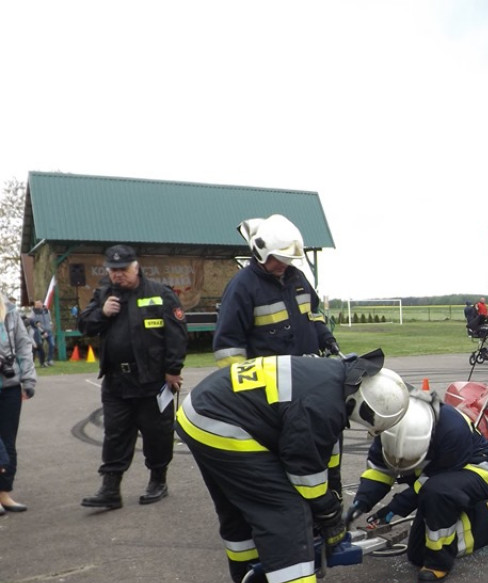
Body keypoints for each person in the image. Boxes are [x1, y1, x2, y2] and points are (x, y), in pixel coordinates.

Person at [174, 352, 410, 583]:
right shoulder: (320, 406)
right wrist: (327, 516)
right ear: (363, 409)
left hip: (203, 413)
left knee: (239, 507)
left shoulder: (335, 381)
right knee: (286, 514)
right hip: (223, 423)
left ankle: (252, 577)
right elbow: (303, 471)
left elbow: (326, 454)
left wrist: (333, 499)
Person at [345, 390, 488, 583]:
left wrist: (393, 509)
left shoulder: (452, 429)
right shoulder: (390, 427)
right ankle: (486, 523)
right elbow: (379, 470)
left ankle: (439, 563)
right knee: (416, 556)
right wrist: (361, 503)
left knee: (437, 494)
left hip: (478, 471)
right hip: (435, 479)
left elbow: (429, 485)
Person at [79, 245, 188, 510]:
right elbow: (84, 326)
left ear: (136, 267)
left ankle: (157, 481)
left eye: (123, 270)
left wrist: (173, 369)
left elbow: (176, 333)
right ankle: (110, 489)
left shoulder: (160, 294)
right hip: (117, 382)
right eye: (113, 270)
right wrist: (102, 313)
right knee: (115, 435)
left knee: (158, 434)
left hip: (153, 381)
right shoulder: (103, 294)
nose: (118, 275)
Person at [213, 214, 339, 367]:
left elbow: (313, 315)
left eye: (287, 259)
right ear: (261, 252)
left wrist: (326, 339)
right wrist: (243, 384)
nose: (283, 264)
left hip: (307, 374)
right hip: (269, 383)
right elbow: (228, 346)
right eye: (278, 258)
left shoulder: (298, 279)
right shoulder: (242, 287)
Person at [0, 295, 36, 513]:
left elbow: (24, 346)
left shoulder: (11, 312)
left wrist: (28, 380)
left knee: (8, 442)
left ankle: (4, 494)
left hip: (10, 387)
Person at [31, 300, 56, 367]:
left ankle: (49, 360)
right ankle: (42, 362)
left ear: (42, 304)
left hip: (49, 331)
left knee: (52, 344)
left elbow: (50, 320)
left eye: (39, 304)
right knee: (40, 347)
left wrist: (51, 325)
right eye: (36, 304)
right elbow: (33, 322)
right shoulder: (33, 312)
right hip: (40, 332)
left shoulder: (47, 310)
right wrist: (41, 331)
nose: (37, 305)